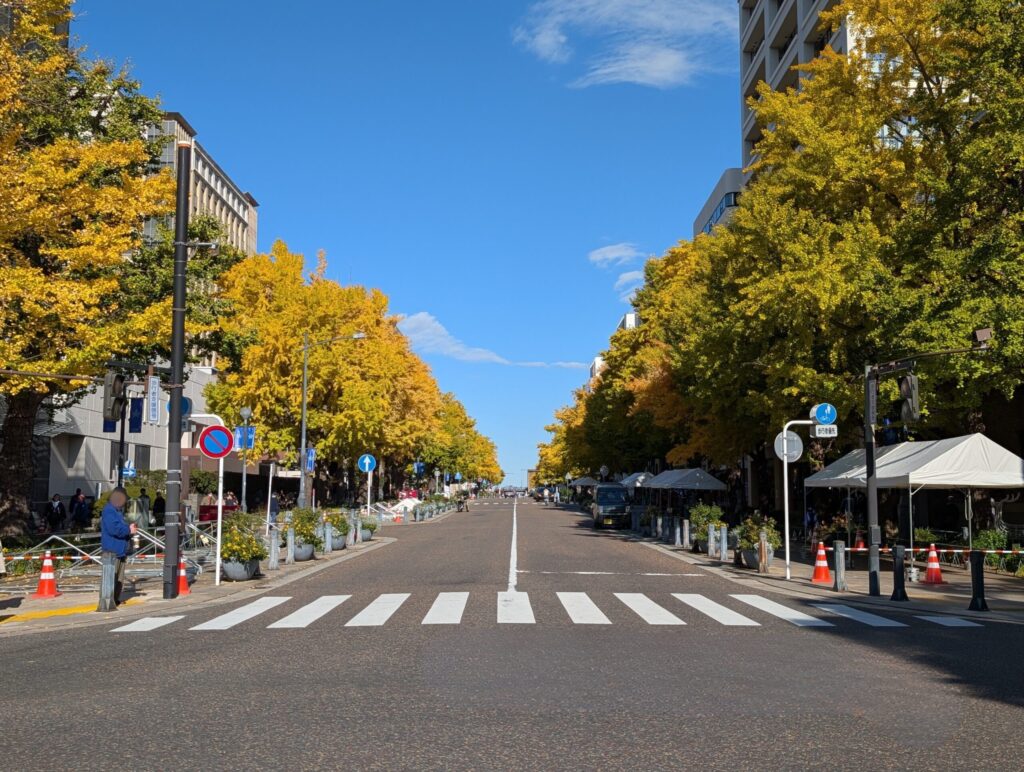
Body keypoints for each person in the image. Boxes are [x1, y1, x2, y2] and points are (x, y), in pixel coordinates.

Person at [100, 487, 137, 606]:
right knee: (111, 577)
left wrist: (129, 529)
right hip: (112, 550)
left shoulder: (117, 511)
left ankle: (115, 599)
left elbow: (119, 527)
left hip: (120, 550)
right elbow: (114, 529)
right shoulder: (109, 510)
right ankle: (108, 601)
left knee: (119, 578)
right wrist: (128, 530)